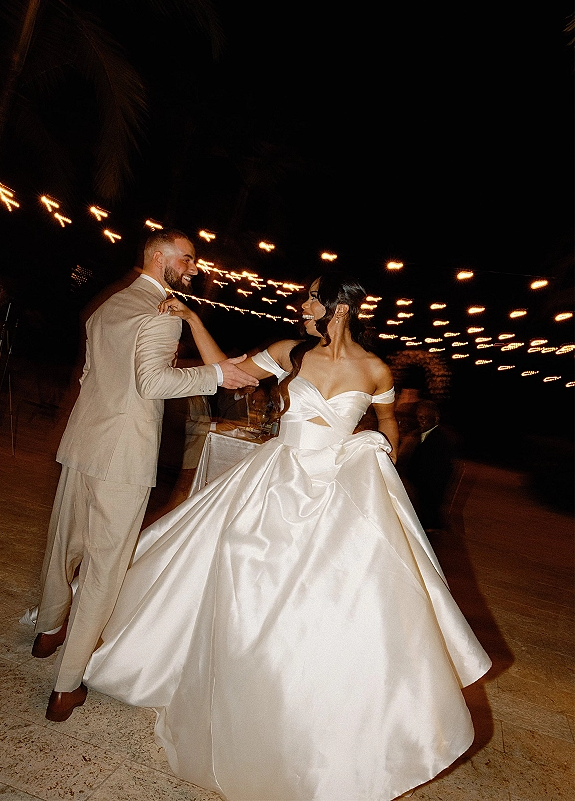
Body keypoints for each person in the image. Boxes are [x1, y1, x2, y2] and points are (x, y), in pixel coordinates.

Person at [84, 272, 491, 801]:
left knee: (333, 597)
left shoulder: (375, 370)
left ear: (338, 309)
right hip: (275, 479)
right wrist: (192, 320)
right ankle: (227, 681)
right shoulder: (290, 351)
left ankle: (312, 707)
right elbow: (229, 374)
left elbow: (390, 428)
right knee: (241, 565)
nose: (302, 305)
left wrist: (377, 451)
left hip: (338, 489)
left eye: (311, 299)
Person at [31, 227, 257, 723]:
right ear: (159, 256)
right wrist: (217, 375)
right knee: (103, 569)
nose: (194, 267)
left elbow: (93, 377)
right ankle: (66, 686)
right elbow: (153, 382)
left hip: (83, 442)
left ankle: (48, 630)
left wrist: (208, 361)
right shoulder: (161, 315)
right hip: (123, 457)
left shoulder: (108, 306)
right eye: (188, 258)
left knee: (63, 542)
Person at [403, 399, 456, 531]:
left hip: (427, 496)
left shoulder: (441, 439)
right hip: (419, 490)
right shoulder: (418, 435)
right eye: (418, 417)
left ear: (436, 419)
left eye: (424, 417)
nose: (420, 420)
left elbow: (433, 472)